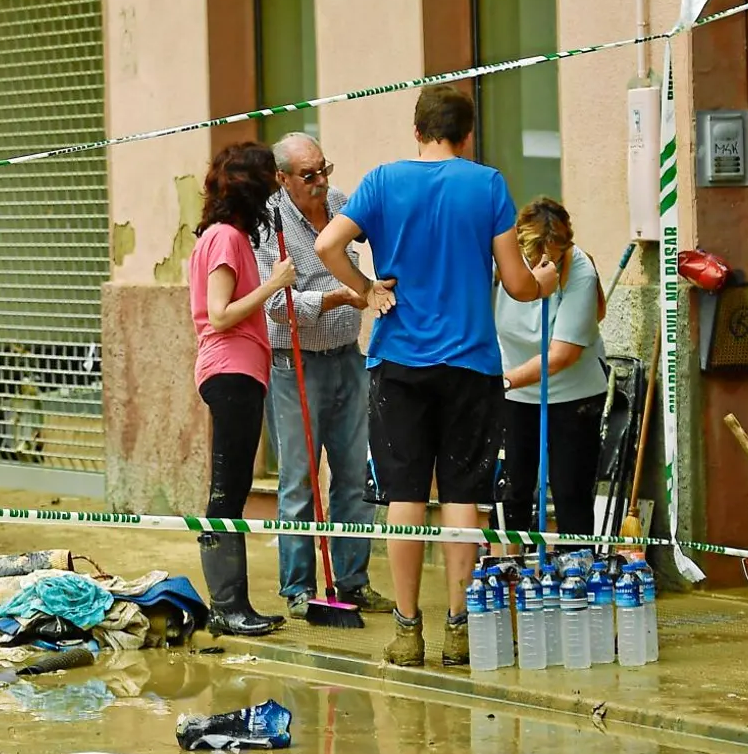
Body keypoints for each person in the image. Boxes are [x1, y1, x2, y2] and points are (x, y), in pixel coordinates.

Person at [313, 85, 558, 668]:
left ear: (416, 130)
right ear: (467, 135)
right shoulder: (488, 185)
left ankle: (406, 628)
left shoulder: (380, 181)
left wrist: (367, 288)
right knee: (462, 498)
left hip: (398, 361)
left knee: (403, 497)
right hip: (471, 364)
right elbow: (519, 285)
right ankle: (458, 627)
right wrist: (545, 282)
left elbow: (327, 244)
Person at [254, 132, 394, 618]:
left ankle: (352, 581)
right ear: (282, 178)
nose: (320, 182)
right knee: (299, 480)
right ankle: (297, 587)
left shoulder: (339, 202)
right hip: (296, 364)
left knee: (355, 475)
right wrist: (340, 296)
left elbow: (380, 231)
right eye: (308, 175)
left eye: (324, 169)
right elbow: (275, 305)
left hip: (348, 357)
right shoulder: (266, 223)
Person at [190, 141, 299, 638]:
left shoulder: (223, 235)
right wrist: (275, 283)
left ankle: (233, 603)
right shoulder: (227, 238)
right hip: (230, 370)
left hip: (239, 371)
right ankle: (228, 606)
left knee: (229, 489)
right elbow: (219, 313)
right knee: (227, 491)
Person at [495, 196, 609, 543]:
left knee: (569, 488)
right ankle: (512, 563)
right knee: (515, 486)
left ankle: (576, 564)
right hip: (515, 392)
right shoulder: (500, 263)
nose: (544, 263)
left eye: (553, 254)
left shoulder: (580, 272)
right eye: (533, 256)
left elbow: (561, 354)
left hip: (574, 392)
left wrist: (505, 380)